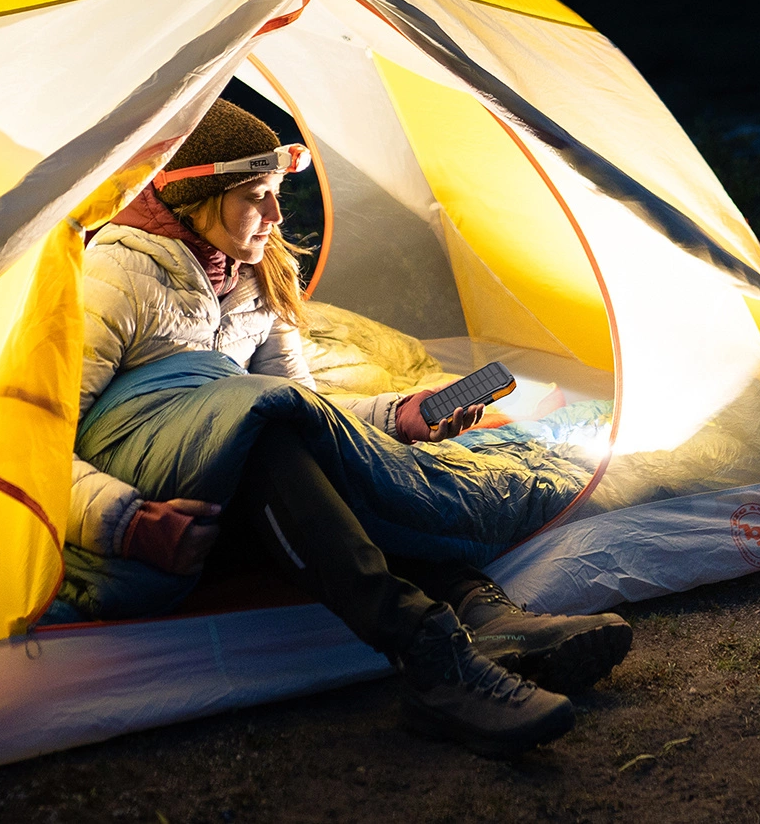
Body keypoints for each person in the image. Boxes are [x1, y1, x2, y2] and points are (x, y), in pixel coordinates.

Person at [69, 99, 631, 756]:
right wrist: (125, 521)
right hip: (156, 486)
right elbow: (38, 440)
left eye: (279, 194)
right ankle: (429, 656)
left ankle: (482, 612)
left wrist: (399, 415)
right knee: (263, 423)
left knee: (286, 427)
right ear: (198, 197)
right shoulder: (114, 274)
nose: (278, 217)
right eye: (257, 197)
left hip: (243, 472)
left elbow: (308, 409)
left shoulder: (258, 277)